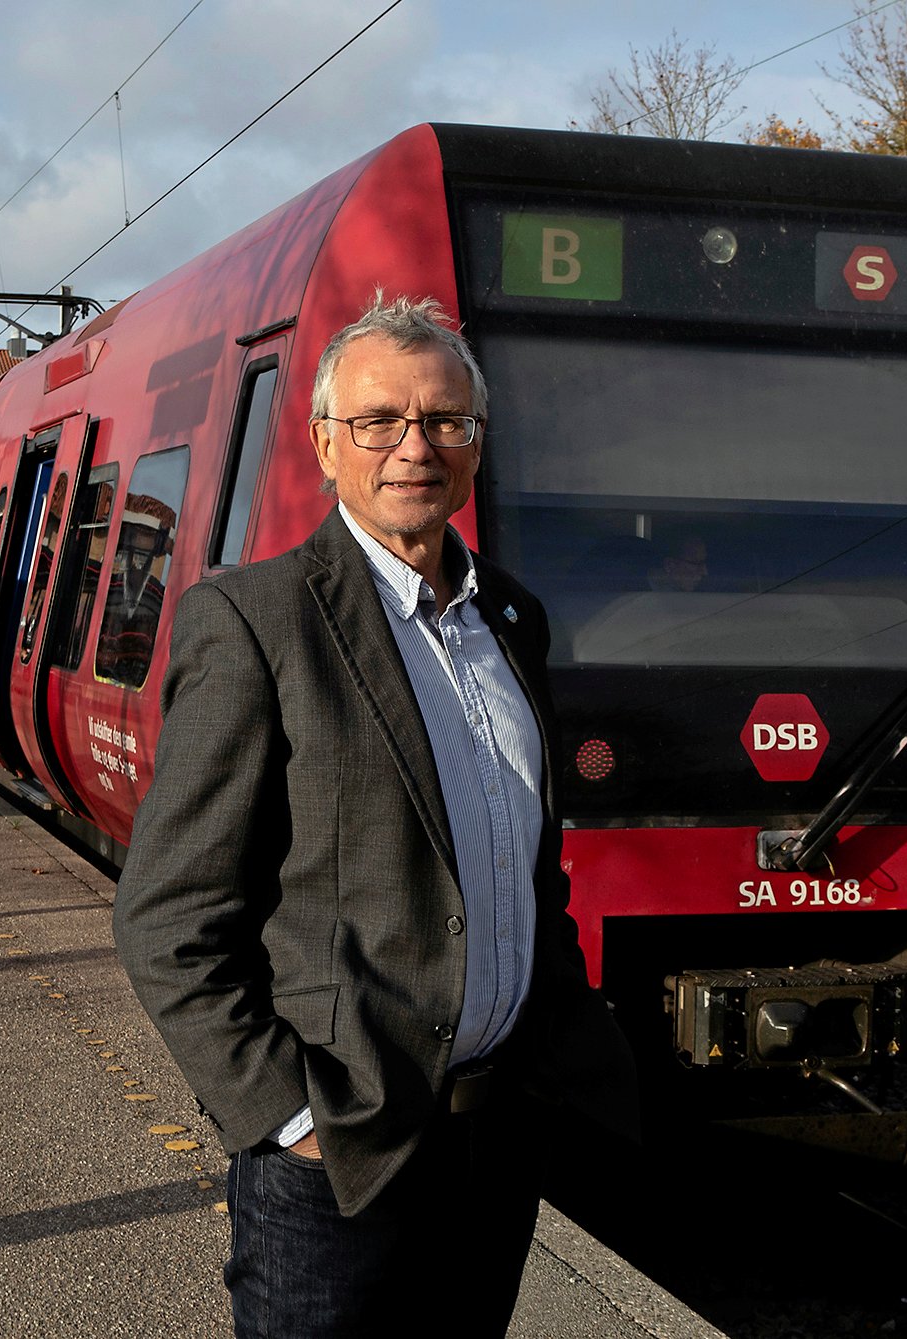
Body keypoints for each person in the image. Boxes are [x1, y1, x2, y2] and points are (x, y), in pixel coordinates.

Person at [113, 295, 639, 1338]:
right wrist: (287, 1115)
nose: (414, 446)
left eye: (444, 420)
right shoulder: (255, 620)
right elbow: (167, 914)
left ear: (476, 442)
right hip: (339, 1155)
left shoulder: (514, 619)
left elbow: (530, 866)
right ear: (324, 443)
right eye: (378, 420)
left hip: (497, 1137)